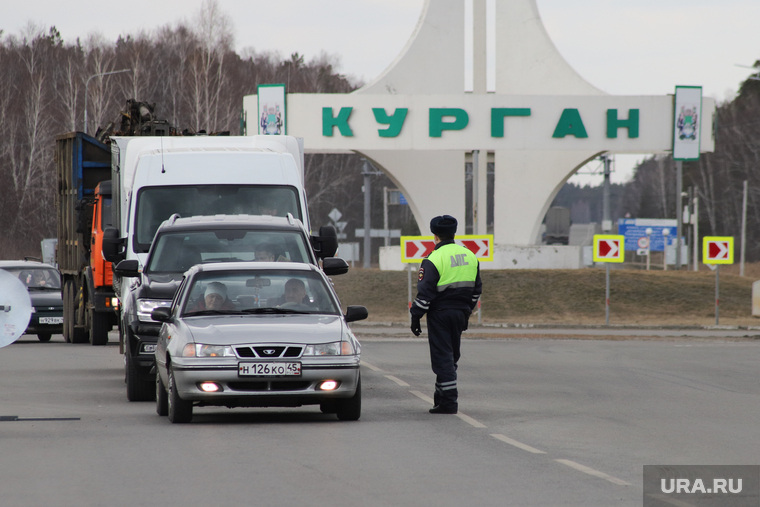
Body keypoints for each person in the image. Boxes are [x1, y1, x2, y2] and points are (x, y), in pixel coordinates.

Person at [410, 215, 482, 415]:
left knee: (443, 357)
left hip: (440, 313)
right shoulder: (470, 255)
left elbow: (425, 294)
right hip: (460, 313)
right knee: (452, 357)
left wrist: (416, 317)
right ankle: (440, 398)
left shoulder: (434, 258)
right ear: (454, 233)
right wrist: (467, 311)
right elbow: (477, 290)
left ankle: (449, 402)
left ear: (435, 236)